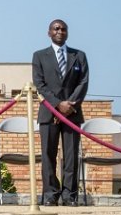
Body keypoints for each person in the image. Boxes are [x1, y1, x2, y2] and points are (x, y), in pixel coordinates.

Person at [32, 20, 89, 205]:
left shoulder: (79, 56)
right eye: (56, 29)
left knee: (71, 157)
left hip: (72, 113)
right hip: (49, 113)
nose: (60, 31)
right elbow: (40, 84)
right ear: (49, 32)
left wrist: (68, 107)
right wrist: (57, 105)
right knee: (48, 156)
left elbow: (83, 83)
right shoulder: (39, 56)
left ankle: (69, 195)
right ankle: (50, 195)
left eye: (63, 29)